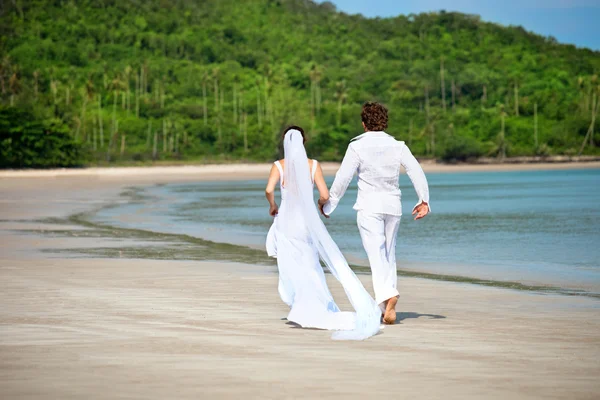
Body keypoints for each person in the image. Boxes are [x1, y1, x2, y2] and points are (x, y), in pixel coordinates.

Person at [265, 126, 381, 340]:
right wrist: (320, 204)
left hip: (287, 223)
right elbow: (325, 194)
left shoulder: (278, 166)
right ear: (304, 141)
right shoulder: (313, 166)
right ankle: (313, 304)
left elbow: (269, 190)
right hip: (306, 222)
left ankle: (300, 305)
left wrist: (273, 206)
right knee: (310, 263)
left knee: (292, 263)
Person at [321, 102, 430, 325]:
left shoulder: (356, 146)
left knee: (376, 255)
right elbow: (415, 170)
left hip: (369, 207)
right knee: (389, 253)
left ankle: (388, 296)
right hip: (393, 207)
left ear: (363, 124)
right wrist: (423, 200)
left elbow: (343, 178)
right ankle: (385, 303)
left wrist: (329, 205)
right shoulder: (397, 145)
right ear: (384, 122)